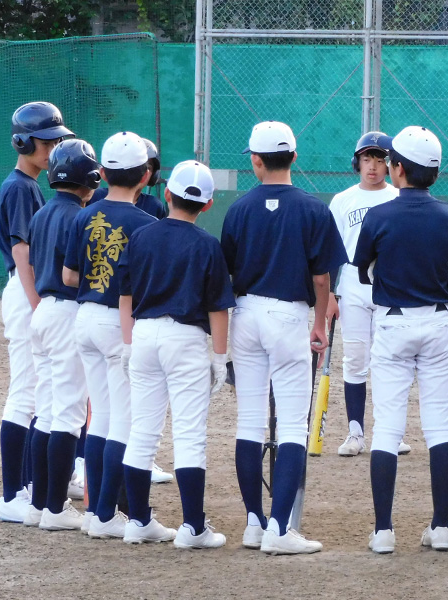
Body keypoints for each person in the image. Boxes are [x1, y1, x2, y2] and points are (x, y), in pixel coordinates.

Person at [221, 121, 346, 554]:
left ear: (255, 160)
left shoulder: (238, 209)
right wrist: (318, 323)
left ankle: (254, 522)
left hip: (247, 313)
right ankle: (279, 529)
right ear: (294, 156)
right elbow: (322, 277)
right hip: (289, 315)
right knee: (292, 423)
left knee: (250, 419)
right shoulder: (313, 208)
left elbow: (229, 272)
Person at [352, 126, 448, 554]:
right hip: (437, 322)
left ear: (397, 168)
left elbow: (362, 267)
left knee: (386, 429)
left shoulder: (379, 215)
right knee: (440, 428)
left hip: (394, 323)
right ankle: (440, 528)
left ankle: (383, 531)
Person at [119, 160, 234, 549]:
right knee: (188, 434)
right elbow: (219, 308)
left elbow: (126, 295)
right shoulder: (207, 245)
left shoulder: (141, 236)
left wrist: (128, 342)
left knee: (142, 432)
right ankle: (193, 528)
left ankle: (137, 520)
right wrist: (220, 358)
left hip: (144, 333)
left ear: (167, 194)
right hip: (184, 339)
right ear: (207, 204)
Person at [63, 131, 158, 537]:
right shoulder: (147, 222)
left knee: (99, 416)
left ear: (102, 173)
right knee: (123, 420)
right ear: (144, 177)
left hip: (84, 317)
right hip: (121, 324)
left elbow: (68, 275)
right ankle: (104, 514)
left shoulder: (84, 213)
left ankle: (94, 512)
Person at [0, 101, 73, 524]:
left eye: (57, 140)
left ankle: (27, 485)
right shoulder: (21, 187)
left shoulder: (28, 184)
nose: (53, 148)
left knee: (38, 392)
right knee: (25, 392)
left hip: (27, 292)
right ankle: (11, 495)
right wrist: (38, 301)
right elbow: (22, 251)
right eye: (46, 142)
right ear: (24, 142)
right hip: (25, 291)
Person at [25, 138, 99, 530]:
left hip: (43, 311)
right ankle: (55, 509)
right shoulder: (81, 217)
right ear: (88, 177)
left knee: (47, 410)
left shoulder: (41, 213)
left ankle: (39, 504)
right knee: (68, 416)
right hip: (69, 310)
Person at [327, 132, 411, 457]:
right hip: (351, 282)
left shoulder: (398, 197)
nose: (373, 167)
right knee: (355, 358)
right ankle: (355, 432)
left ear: (391, 165)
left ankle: (391, 433)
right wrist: (331, 296)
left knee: (390, 359)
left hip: (388, 282)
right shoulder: (343, 200)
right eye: (367, 159)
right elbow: (331, 251)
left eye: (379, 160)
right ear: (357, 162)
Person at [87, 137, 168, 220]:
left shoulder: (154, 205)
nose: (140, 172)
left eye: (147, 167)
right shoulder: (96, 196)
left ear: (152, 174)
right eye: (135, 166)